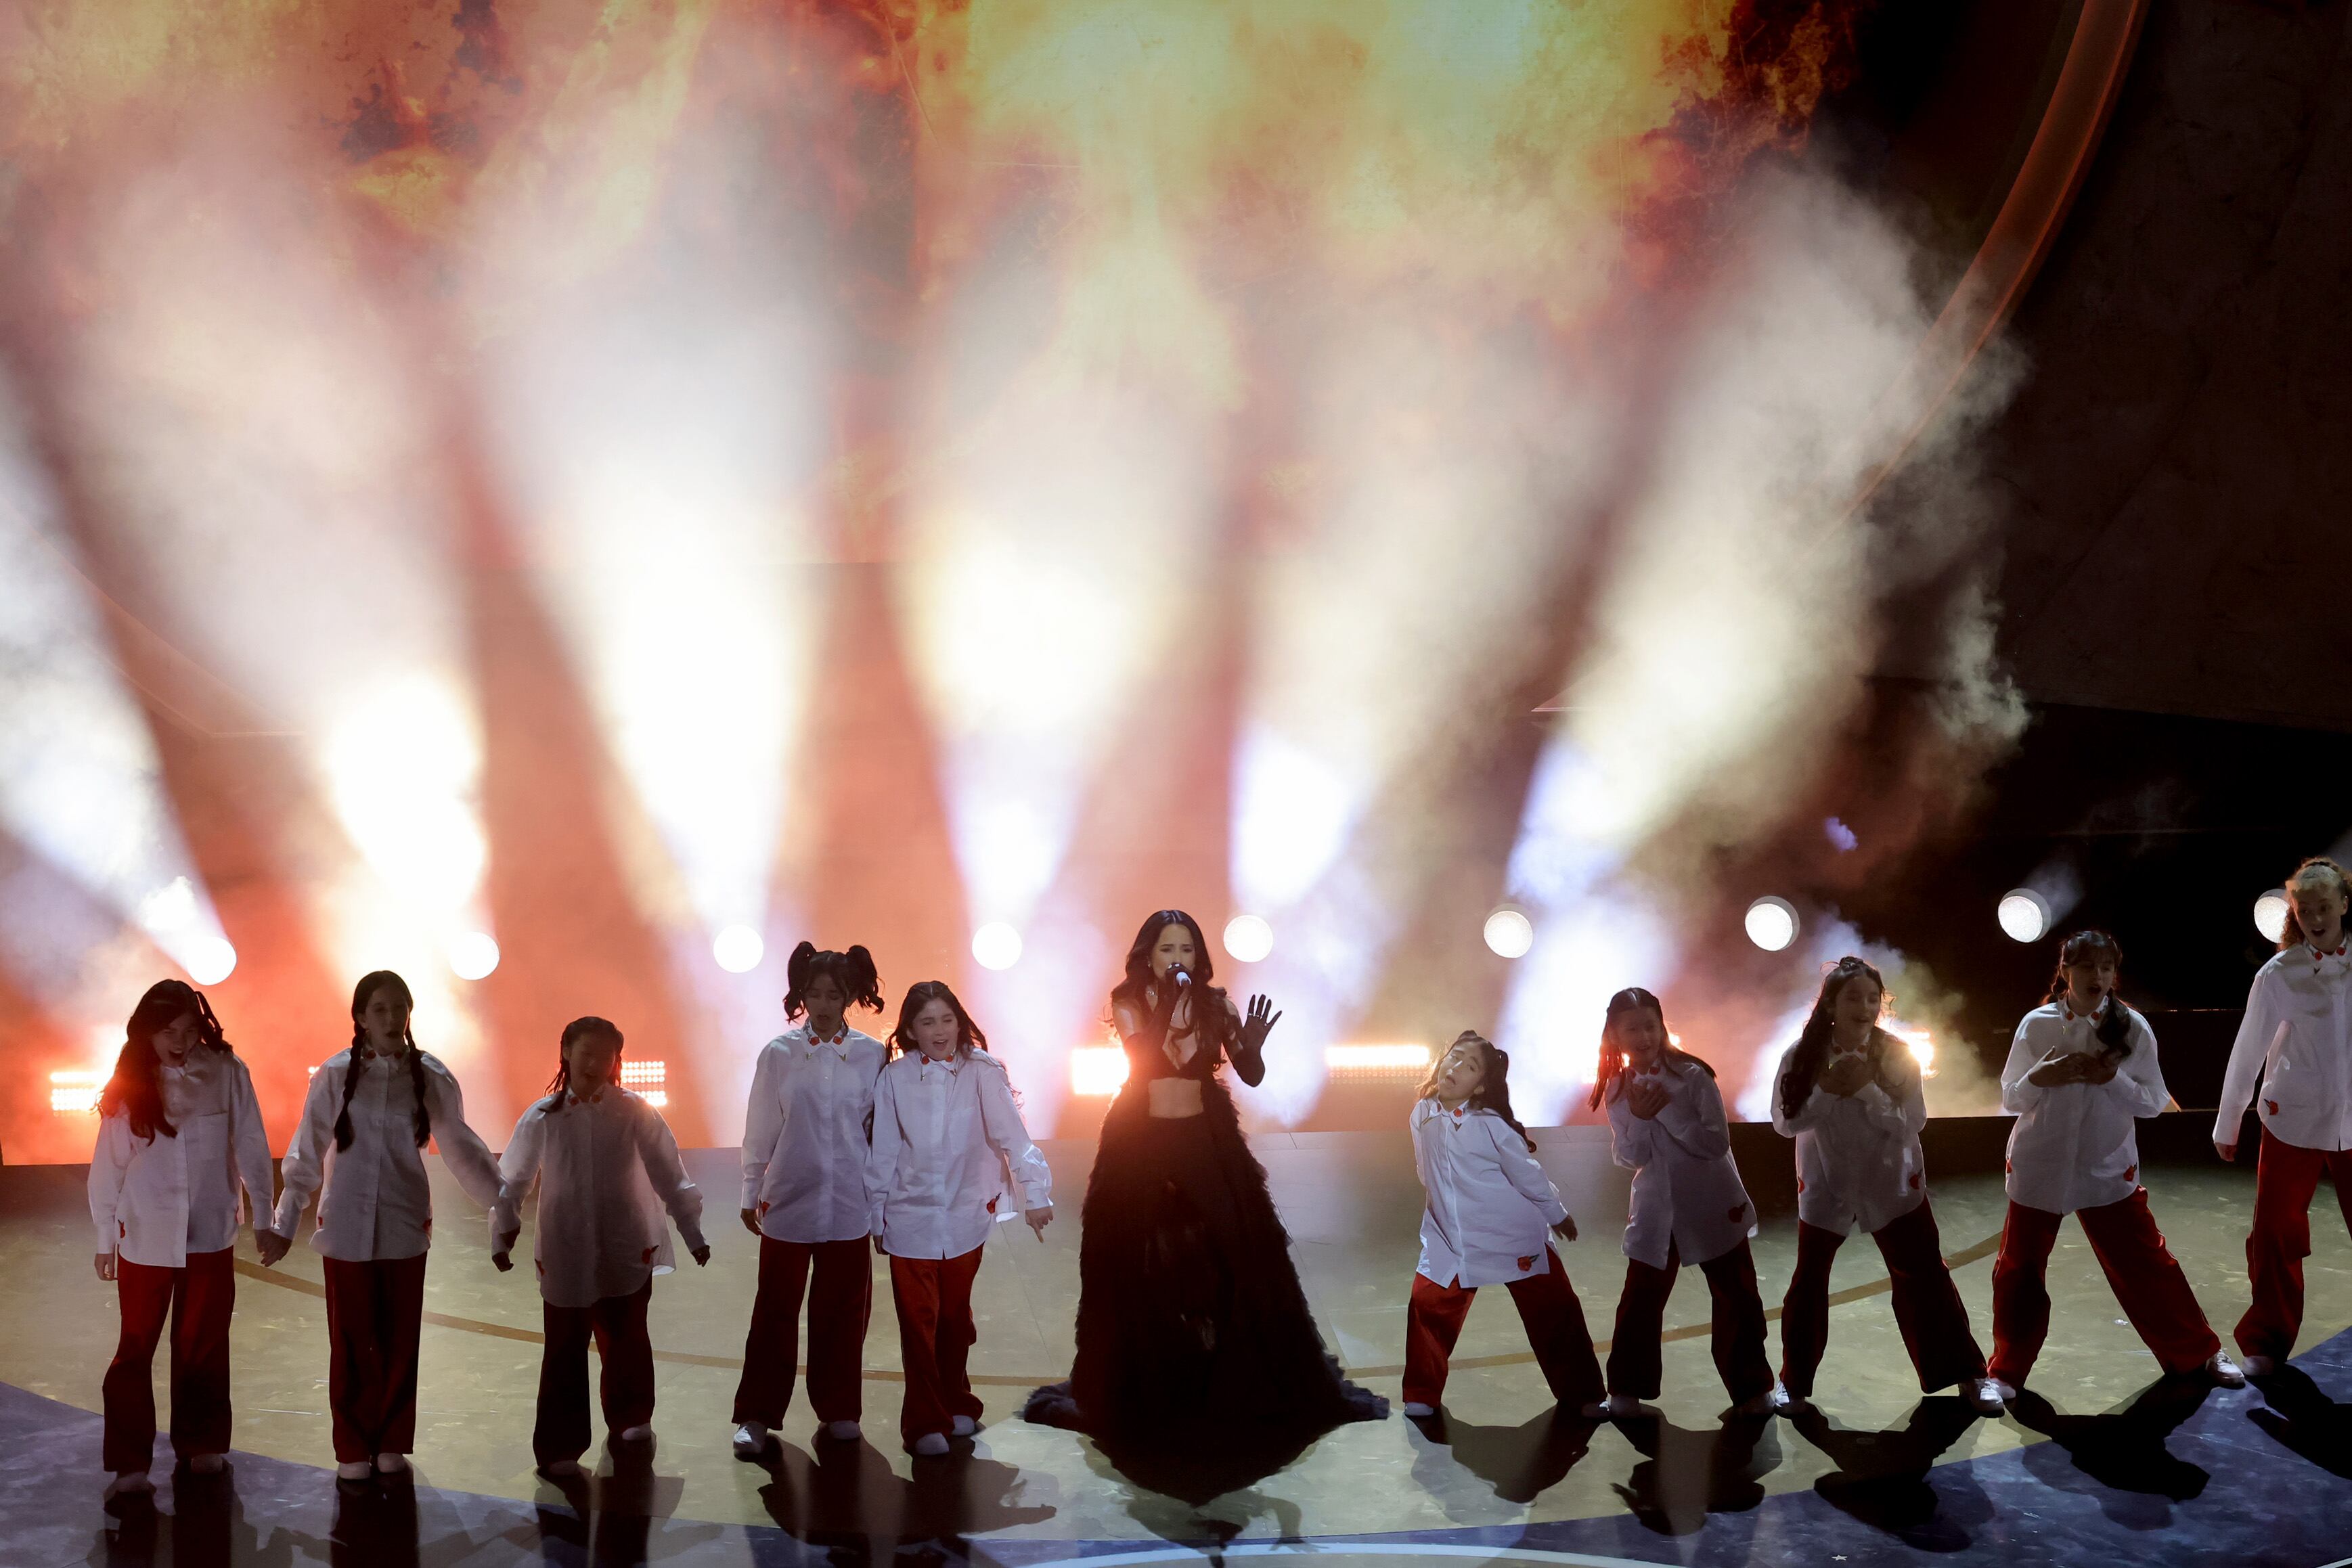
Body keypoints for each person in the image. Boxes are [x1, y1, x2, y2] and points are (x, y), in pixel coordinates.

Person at [1025, 909, 1385, 1443]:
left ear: (1199, 956)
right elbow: (1143, 1059)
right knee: (1130, 1254)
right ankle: (1139, 1383)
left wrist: (1253, 1044)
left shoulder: (1217, 1005)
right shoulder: (1128, 1002)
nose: (1177, 958)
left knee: (1241, 1247)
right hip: (1139, 1140)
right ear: (1148, 955)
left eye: (1187, 949)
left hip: (1203, 1137)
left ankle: (1246, 1374)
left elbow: (1251, 1074)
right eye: (1167, 949)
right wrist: (1168, 1004)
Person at [270, 970, 504, 1483]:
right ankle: (353, 1443)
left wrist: (502, 1210)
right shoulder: (334, 1074)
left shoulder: (430, 1075)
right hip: (345, 1225)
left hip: (403, 1222)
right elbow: (307, 1147)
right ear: (359, 1016)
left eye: (399, 1006)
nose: (391, 1017)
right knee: (351, 1339)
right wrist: (283, 1223)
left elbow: (462, 1147)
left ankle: (392, 1440)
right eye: (379, 1008)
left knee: (399, 1338)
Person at [1990, 932, 2240, 1395]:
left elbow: (2152, 1102)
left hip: (2105, 1167)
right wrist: (2038, 1077)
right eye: (2087, 966)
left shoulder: (2132, 1028)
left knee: (2147, 1264)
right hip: (2039, 1164)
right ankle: (2004, 1372)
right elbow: (2010, 1096)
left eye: (2106, 967)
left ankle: (2200, 1351)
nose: (2098, 976)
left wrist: (2113, 1079)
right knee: (2018, 1272)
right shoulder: (2036, 1024)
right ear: (2064, 970)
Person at [1769, 957, 2004, 1415]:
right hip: (1825, 1186)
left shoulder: (1896, 1052)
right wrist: (1827, 1090)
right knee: (1808, 1283)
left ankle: (1970, 1375)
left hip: (1891, 1182)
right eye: (1853, 996)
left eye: (1872, 997)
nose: (1864, 1006)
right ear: (1831, 1004)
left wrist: (1864, 1090)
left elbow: (1913, 1121)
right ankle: (1791, 1383)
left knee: (1926, 1276)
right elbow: (1784, 1121)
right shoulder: (1800, 1055)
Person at [492, 1016, 710, 1478]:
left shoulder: (635, 1112)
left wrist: (693, 1232)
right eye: (584, 1052)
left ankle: (632, 1414)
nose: (593, 1063)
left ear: (617, 1061)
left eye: (604, 1055)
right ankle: (559, 1444)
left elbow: (669, 1173)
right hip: (565, 1245)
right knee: (564, 1344)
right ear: (566, 1053)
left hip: (625, 1241)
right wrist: (503, 1232)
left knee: (627, 1331)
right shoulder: (542, 1117)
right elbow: (513, 1181)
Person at [88, 981, 278, 1498]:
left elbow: (252, 1142)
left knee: (205, 1345)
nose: (180, 1040)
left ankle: (203, 1442)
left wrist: (266, 1214)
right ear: (148, 1030)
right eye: (169, 1031)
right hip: (145, 1234)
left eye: (190, 1030)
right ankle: (130, 1462)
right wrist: (105, 1234)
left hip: (210, 1231)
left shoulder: (226, 1072)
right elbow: (109, 1165)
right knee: (135, 1348)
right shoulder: (130, 1082)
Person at [867, 981, 1052, 1456]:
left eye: (946, 1019)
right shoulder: (894, 1079)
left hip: (966, 1216)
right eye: (927, 1021)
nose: (939, 1030)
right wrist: (877, 1214)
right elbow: (884, 1151)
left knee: (954, 1318)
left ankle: (956, 1401)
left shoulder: (983, 1071)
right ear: (909, 1028)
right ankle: (923, 1421)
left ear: (960, 1021)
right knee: (918, 1322)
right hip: (908, 1218)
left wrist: (1035, 1193)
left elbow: (1013, 1135)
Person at [732, 941, 887, 1458]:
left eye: (833, 994)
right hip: (789, 1200)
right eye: (814, 993)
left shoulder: (870, 1054)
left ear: (849, 997)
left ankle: (839, 1409)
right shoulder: (778, 1054)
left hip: (848, 1201)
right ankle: (757, 1414)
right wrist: (751, 1188)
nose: (822, 1004)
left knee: (843, 1312)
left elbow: (881, 1132)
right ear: (801, 995)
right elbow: (761, 1126)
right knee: (774, 1309)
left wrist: (882, 1199)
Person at [1590, 987, 1773, 1419]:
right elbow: (1629, 1157)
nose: (1643, 1036)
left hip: (1712, 1201)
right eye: (1632, 1028)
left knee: (1738, 1296)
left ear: (1662, 1026)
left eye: (1650, 1025)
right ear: (1614, 1036)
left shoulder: (1692, 1076)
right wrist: (1638, 1115)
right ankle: (1625, 1394)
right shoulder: (1617, 1088)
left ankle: (1754, 1392)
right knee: (1639, 1300)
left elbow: (1715, 1143)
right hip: (1657, 1209)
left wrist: (1664, 1112)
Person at [1400, 1030, 1603, 1420]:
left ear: (1480, 1087)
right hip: (1450, 1237)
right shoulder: (1421, 1113)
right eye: (1454, 1057)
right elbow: (1424, 1170)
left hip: (1510, 1233)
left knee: (1555, 1309)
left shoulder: (1490, 1124)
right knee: (1427, 1304)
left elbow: (1528, 1174)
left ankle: (1584, 1394)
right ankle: (1421, 1393)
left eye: (1470, 1065)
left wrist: (1556, 1213)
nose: (1456, 1067)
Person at [2214, 856, 2352, 1374]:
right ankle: (2266, 1342)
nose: (2315, 917)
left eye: (2324, 905)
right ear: (2293, 912)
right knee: (2273, 1232)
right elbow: (2247, 1050)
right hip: (2291, 1116)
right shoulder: (2278, 973)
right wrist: (2228, 1123)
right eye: (2304, 908)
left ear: (2342, 903)